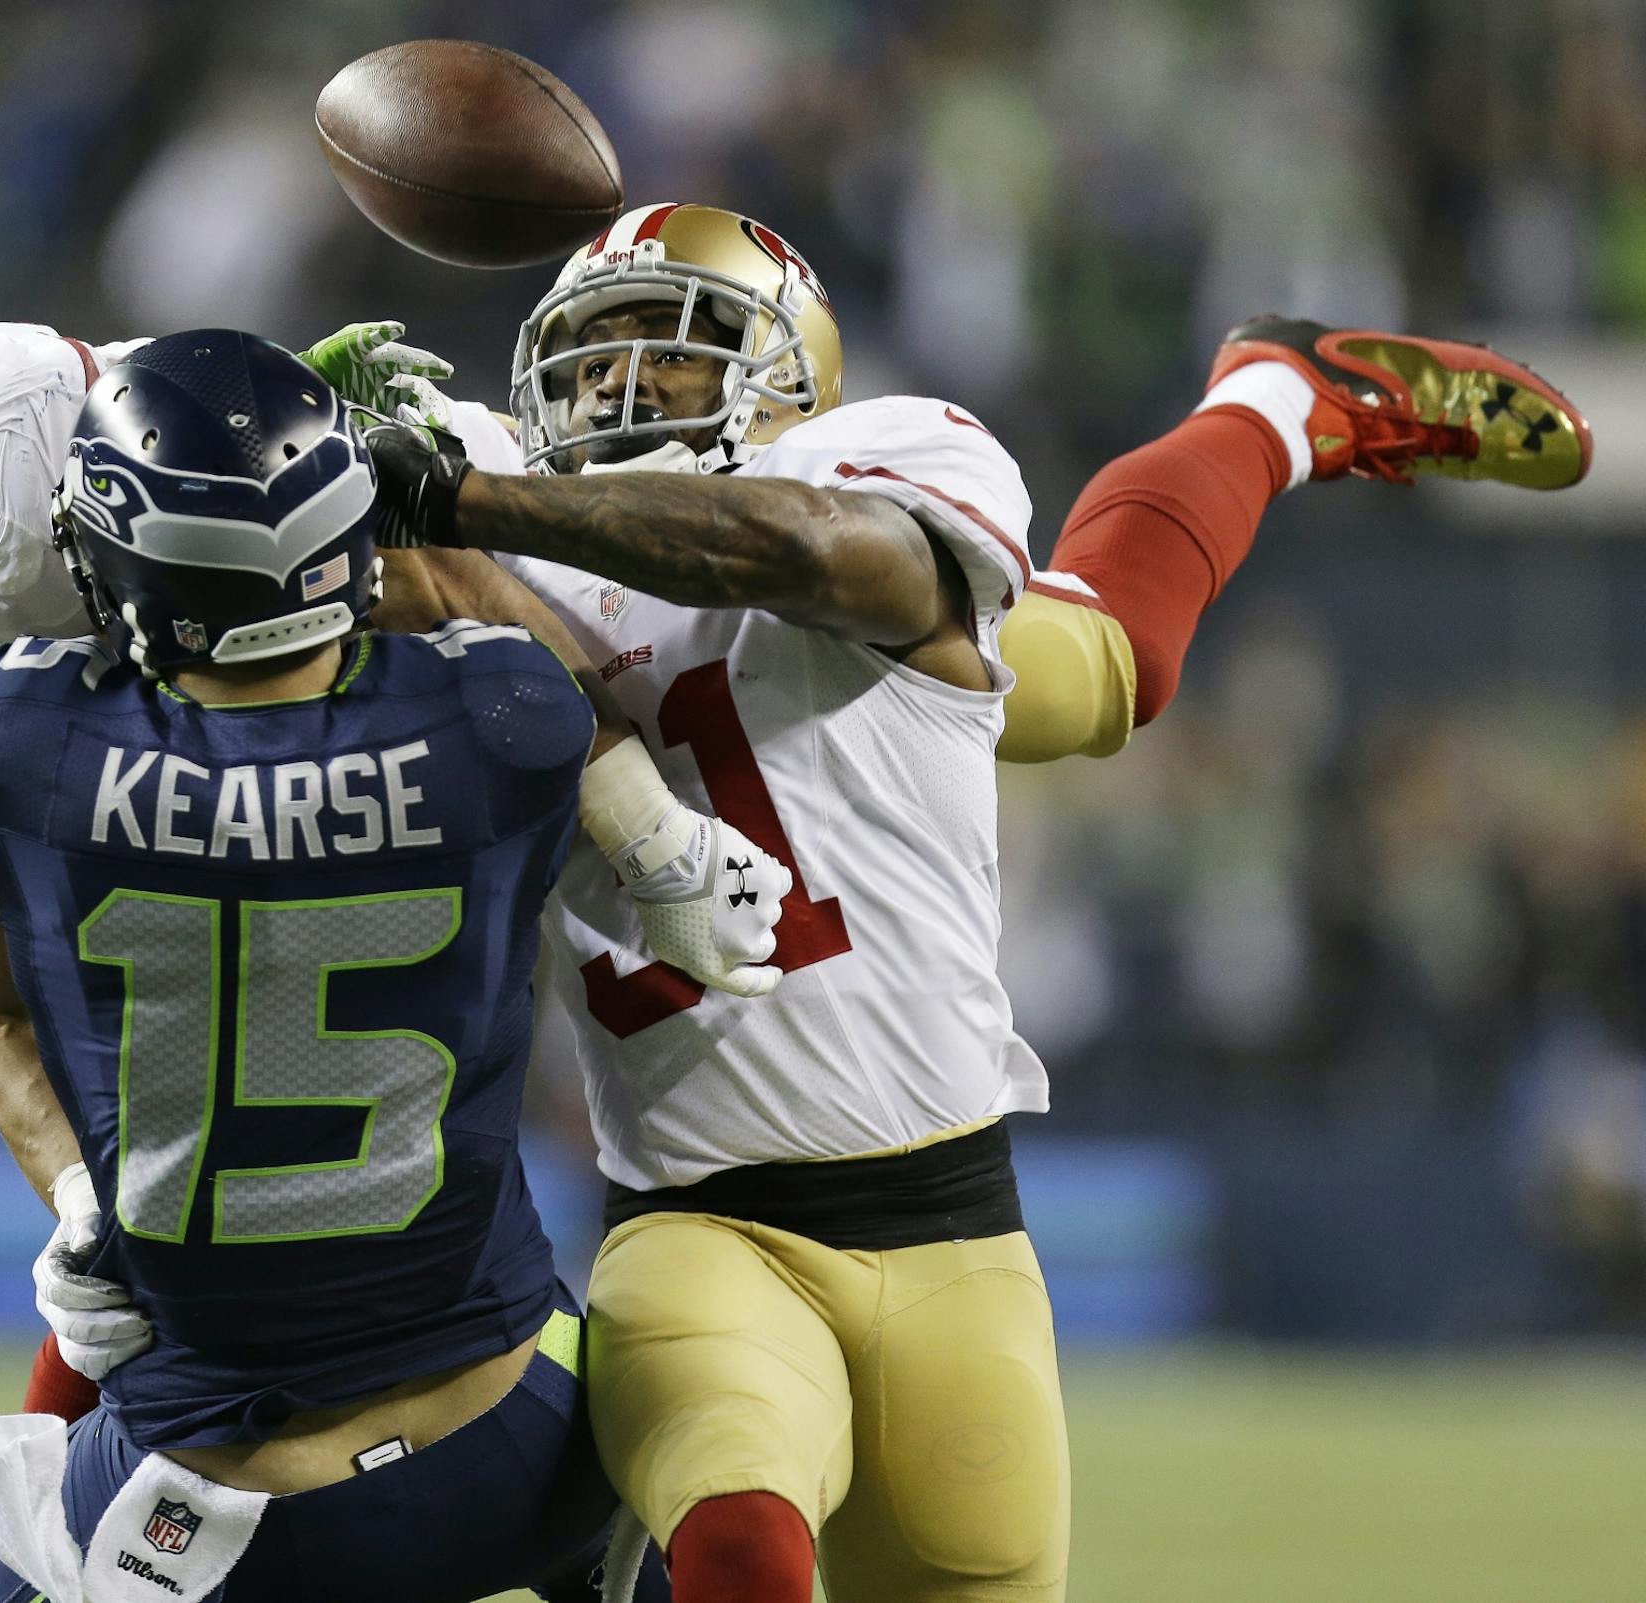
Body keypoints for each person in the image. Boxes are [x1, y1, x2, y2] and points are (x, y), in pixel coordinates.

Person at [354, 201, 1591, 1603]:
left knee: (1107, 662)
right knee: (742, 1537)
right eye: (588, 360)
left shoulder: (863, 457)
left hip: (952, 1224)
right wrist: (332, 459)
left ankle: (1277, 391)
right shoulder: (475, 523)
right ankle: (1276, 392)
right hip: (700, 1221)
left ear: (786, 371)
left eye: (673, 351)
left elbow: (821, 555)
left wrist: (461, 499)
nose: (620, 387)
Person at [0, 317, 787, 1436]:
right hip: (187, 875)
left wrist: (643, 823)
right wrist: (79, 1198)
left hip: (348, 680)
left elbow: (385, 561)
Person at [0, 329, 696, 1602]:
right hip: (503, 1442)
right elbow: (452, 602)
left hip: (219, 1506)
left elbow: (63, 632)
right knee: (661, 1509)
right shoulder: (503, 720)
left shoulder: (22, 740)